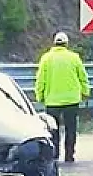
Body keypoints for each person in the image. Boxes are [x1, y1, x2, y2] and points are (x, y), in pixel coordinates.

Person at [34, 32, 90, 162]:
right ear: (66, 44)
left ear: (54, 43)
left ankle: (55, 154)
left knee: (53, 129)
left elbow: (40, 79)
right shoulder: (74, 58)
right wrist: (85, 92)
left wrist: (40, 95)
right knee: (71, 129)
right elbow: (83, 77)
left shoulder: (46, 58)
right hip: (71, 100)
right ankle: (69, 155)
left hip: (52, 101)